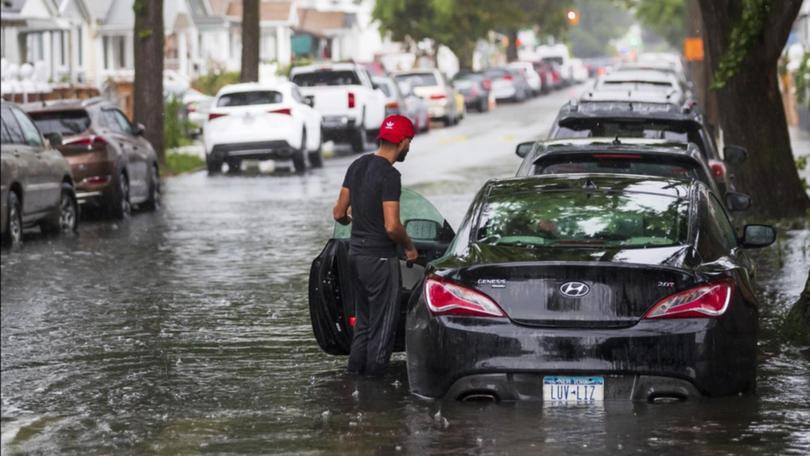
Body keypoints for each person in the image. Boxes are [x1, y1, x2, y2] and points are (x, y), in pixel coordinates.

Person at [332, 115, 418, 376]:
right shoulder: (390, 175)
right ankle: (375, 393)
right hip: (379, 260)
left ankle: (355, 380)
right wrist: (410, 247)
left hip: (355, 256)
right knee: (383, 328)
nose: (409, 147)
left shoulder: (357, 165)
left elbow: (338, 213)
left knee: (364, 325)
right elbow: (392, 226)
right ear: (402, 142)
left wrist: (353, 219)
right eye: (410, 142)